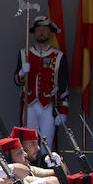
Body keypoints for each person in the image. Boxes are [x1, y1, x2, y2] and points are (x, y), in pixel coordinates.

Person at [14, 16, 67, 146]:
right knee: (28, 141)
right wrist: (22, 72)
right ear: (34, 32)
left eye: (45, 29)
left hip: (48, 105)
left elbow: (63, 85)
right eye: (38, 29)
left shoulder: (58, 56)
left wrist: (64, 109)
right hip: (29, 104)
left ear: (50, 32)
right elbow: (17, 81)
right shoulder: (24, 54)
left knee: (47, 143)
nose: (41, 32)